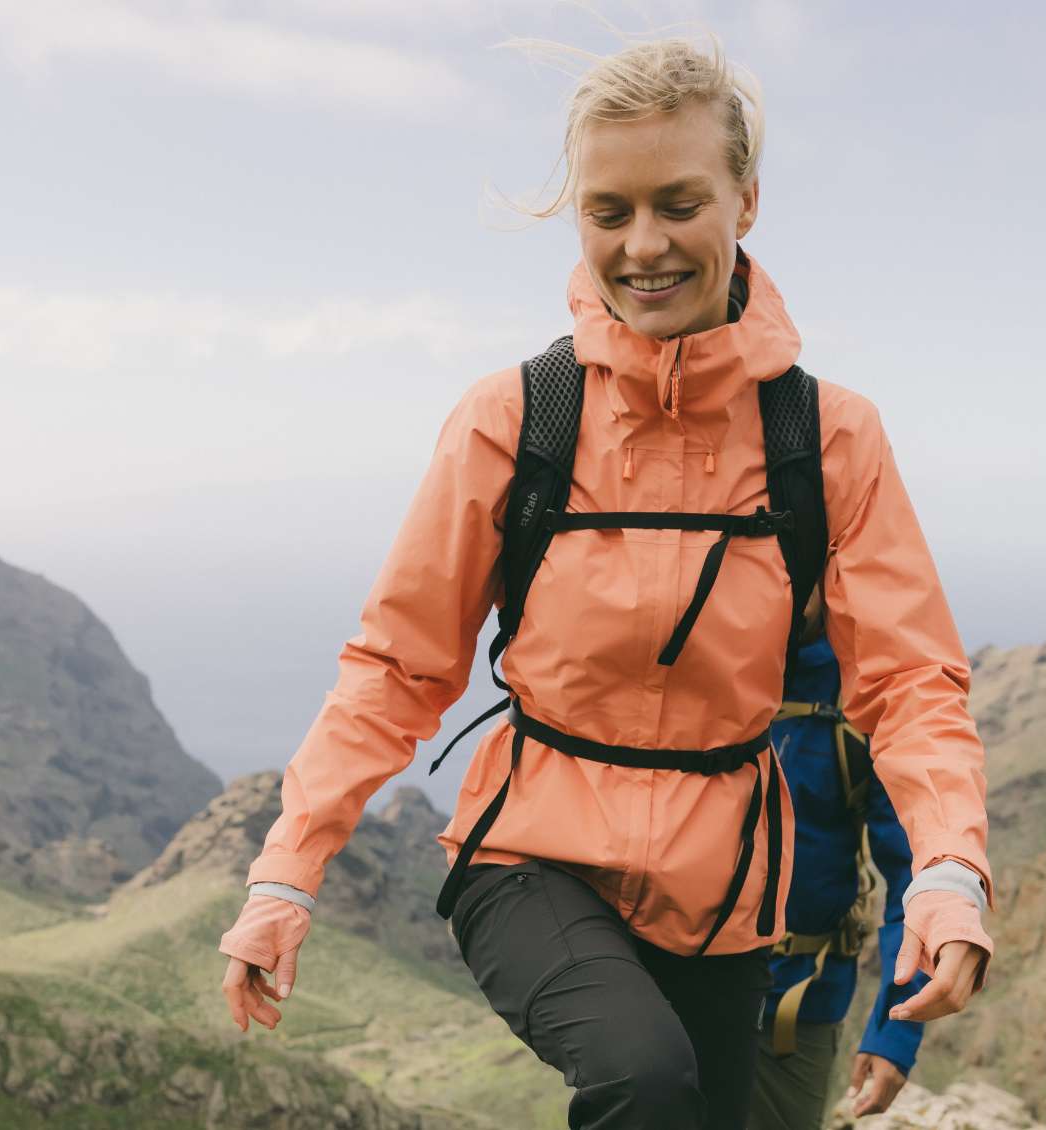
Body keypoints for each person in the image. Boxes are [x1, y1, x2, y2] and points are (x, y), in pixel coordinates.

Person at [210, 35, 996, 1130]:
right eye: (608, 211)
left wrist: (949, 871)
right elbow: (397, 666)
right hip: (529, 855)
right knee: (643, 1077)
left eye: (680, 203)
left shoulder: (828, 437)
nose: (644, 245)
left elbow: (909, 683)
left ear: (747, 201)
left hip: (725, 893)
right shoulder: (515, 419)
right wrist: (285, 875)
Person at [749, 637, 928, 1128]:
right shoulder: (704, 658)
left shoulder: (861, 689)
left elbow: (915, 879)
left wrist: (894, 1032)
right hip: (672, 991)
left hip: (794, 1009)